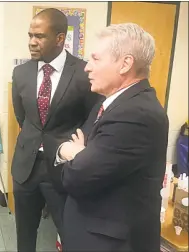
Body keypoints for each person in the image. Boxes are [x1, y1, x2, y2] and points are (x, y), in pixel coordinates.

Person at [56, 23, 169, 251]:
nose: (87, 67)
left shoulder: (136, 114)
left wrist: (72, 152)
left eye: (96, 59)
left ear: (125, 64)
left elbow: (76, 177)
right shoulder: (110, 104)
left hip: (109, 243)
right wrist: (78, 154)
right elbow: (81, 152)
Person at [11, 8, 100, 251]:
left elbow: (92, 119)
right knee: (24, 235)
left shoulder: (84, 73)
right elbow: (23, 117)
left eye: (39, 36)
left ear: (60, 38)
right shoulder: (21, 73)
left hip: (63, 170)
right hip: (25, 168)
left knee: (70, 234)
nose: (32, 42)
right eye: (30, 35)